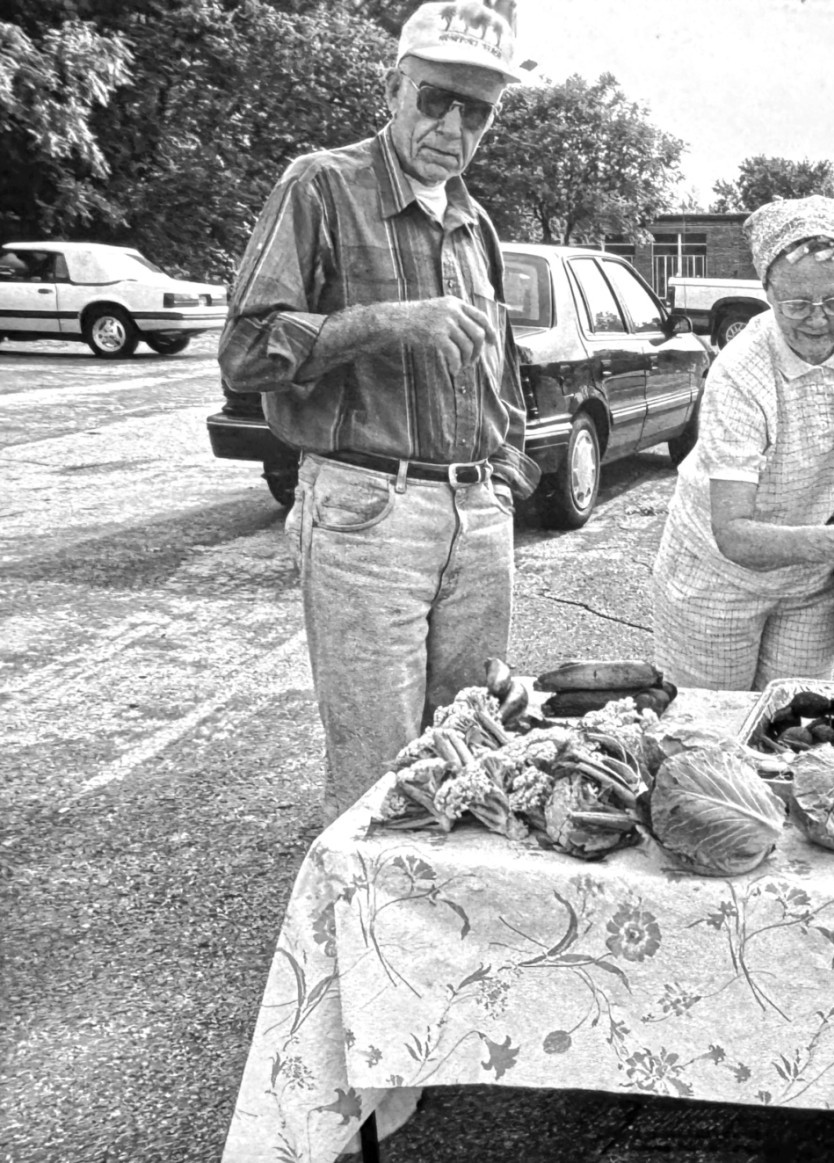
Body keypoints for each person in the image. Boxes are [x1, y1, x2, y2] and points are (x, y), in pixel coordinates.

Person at [219, 0, 536, 823]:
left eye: (478, 111)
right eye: (436, 99)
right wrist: (392, 320)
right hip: (370, 511)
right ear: (394, 88)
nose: (453, 126)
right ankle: (360, 946)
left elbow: (496, 370)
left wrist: (504, 479)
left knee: (472, 750)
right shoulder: (321, 184)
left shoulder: (474, 221)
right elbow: (248, 349)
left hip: (476, 513)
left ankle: (445, 945)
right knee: (379, 777)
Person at [650, 195, 834, 691]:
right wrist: (825, 544)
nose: (816, 319)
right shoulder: (741, 371)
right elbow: (734, 532)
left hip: (810, 584)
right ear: (766, 291)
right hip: (717, 580)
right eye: (795, 304)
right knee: (711, 732)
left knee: (795, 731)